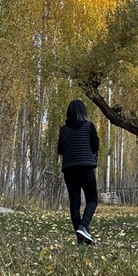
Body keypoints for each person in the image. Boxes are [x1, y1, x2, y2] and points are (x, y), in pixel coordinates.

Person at [57, 99, 99, 245]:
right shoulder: (89, 126)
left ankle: (80, 238)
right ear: (83, 111)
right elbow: (95, 145)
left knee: (74, 204)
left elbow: (60, 150)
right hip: (86, 167)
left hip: (69, 169)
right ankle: (83, 227)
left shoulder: (63, 130)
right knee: (92, 199)